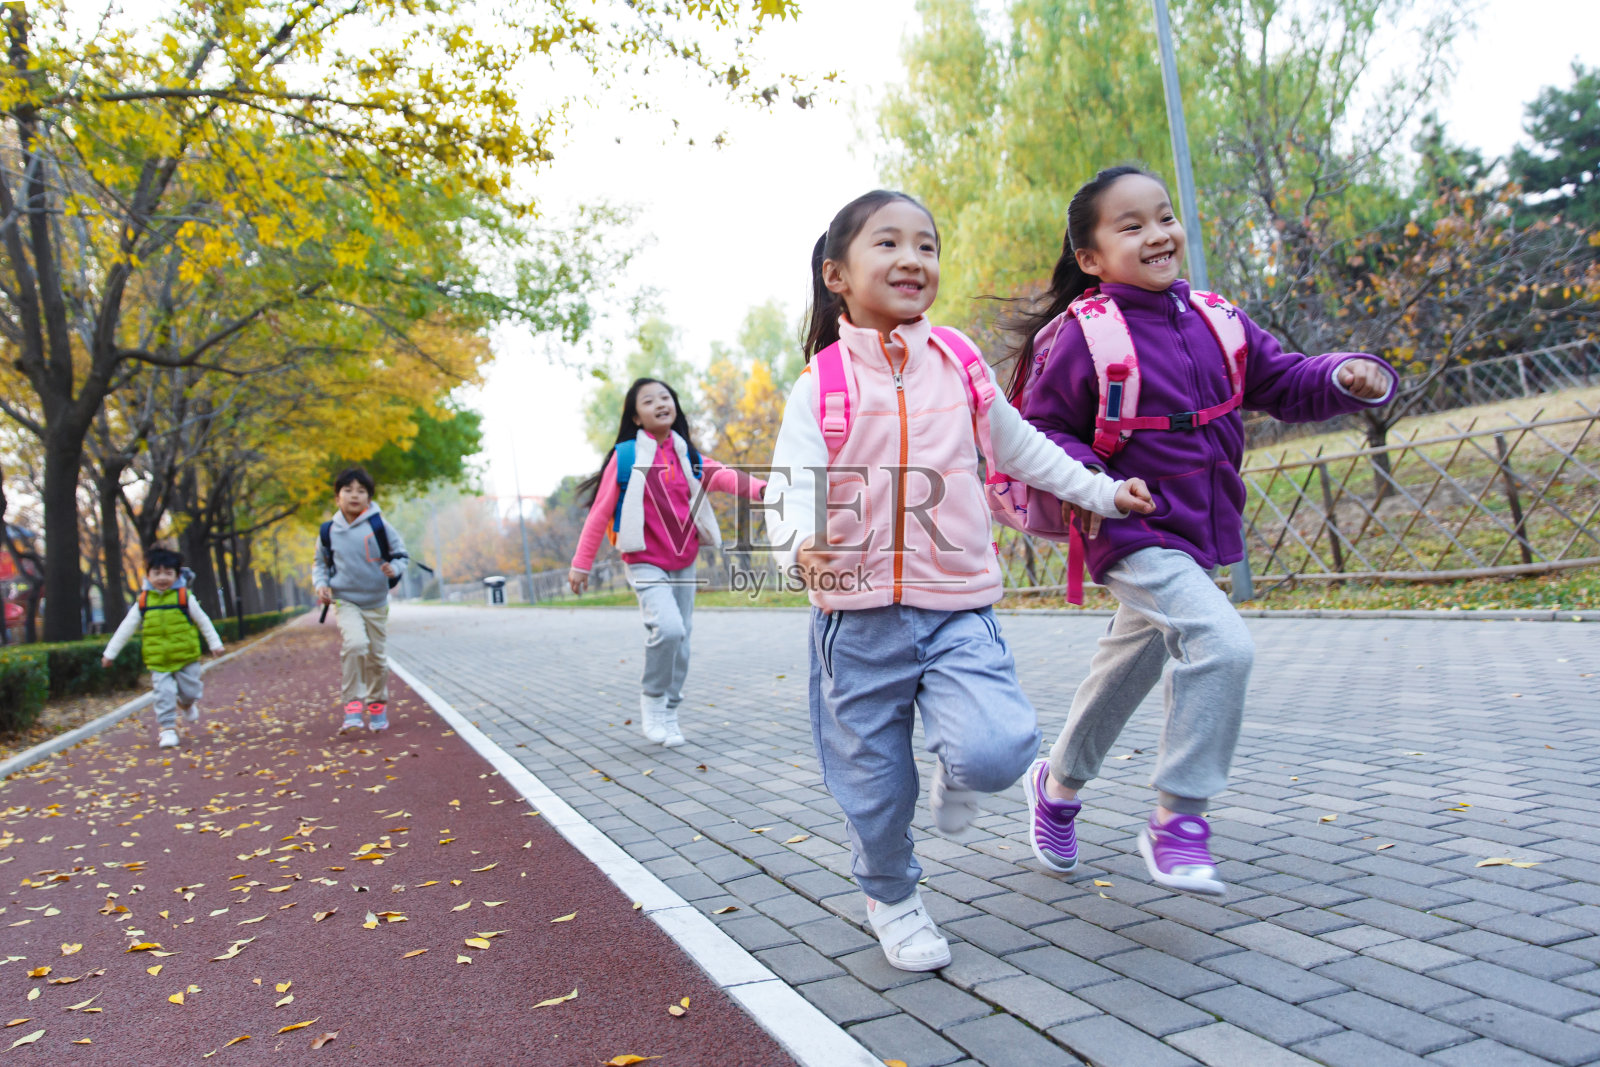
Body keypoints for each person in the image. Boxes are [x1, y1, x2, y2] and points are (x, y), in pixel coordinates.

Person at [763, 190, 1153, 972]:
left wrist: (1104, 492)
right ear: (837, 274)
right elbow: (787, 486)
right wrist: (800, 546)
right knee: (874, 790)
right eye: (889, 245)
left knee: (998, 751)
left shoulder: (959, 362)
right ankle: (892, 895)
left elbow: (1024, 450)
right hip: (859, 622)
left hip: (956, 607)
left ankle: (955, 761)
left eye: (927, 245)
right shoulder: (824, 383)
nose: (913, 259)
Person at [1015, 165, 1397, 896]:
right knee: (1220, 644)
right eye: (1131, 226)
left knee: (1131, 661)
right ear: (1091, 258)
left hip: (1203, 519)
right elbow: (1042, 431)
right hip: (1128, 523)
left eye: (1164, 217)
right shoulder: (1081, 337)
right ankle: (1178, 819)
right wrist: (1099, 484)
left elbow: (1282, 380)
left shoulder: (1216, 317)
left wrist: (1344, 374)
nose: (1158, 234)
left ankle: (1056, 785)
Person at [568, 378, 766, 748]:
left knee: (683, 639)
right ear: (636, 417)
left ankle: (670, 711)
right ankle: (653, 700)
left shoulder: (685, 454)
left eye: (666, 397)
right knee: (669, 630)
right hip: (644, 559)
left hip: (683, 559)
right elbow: (599, 513)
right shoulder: (626, 456)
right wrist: (581, 564)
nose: (660, 403)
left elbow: (720, 476)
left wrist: (762, 489)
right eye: (649, 400)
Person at [313, 466, 407, 734]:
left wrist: (395, 569)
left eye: (361, 491)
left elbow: (401, 555)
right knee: (355, 645)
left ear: (369, 497)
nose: (354, 495)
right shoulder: (328, 531)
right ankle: (352, 705)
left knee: (377, 657)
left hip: (376, 600)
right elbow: (320, 563)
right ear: (337, 497)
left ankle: (377, 705)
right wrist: (321, 585)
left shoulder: (379, 525)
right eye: (348, 490)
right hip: (345, 600)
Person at [102, 548, 224, 749]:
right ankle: (167, 729)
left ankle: (187, 704)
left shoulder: (185, 597)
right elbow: (126, 628)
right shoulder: (143, 601)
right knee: (164, 694)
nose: (162, 578)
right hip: (158, 660)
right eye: (157, 573)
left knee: (190, 692)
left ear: (177, 575)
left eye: (168, 573)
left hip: (186, 656)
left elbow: (203, 621)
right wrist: (110, 654)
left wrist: (216, 645)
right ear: (148, 575)